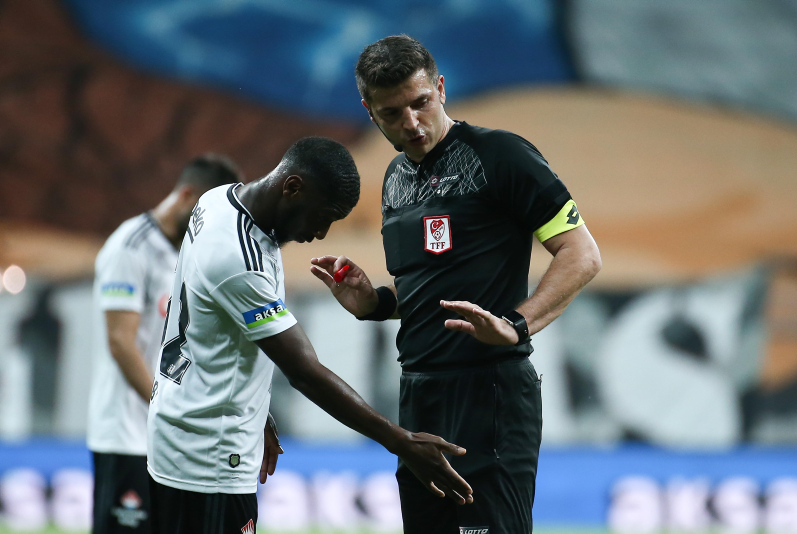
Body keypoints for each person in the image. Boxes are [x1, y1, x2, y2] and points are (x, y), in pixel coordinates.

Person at [310, 35, 602, 533]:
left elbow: (582, 254)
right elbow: (433, 289)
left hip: (489, 391)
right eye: (392, 113)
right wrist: (375, 302)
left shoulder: (500, 155)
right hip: (418, 397)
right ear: (369, 111)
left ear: (441, 88)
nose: (411, 123)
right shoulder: (396, 178)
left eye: (420, 102)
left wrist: (516, 325)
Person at [146, 137, 473, 534]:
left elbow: (213, 326)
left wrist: (253, 408)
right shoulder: (238, 258)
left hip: (187, 432)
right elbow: (304, 371)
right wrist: (402, 442)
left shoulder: (218, 201)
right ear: (293, 187)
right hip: (207, 457)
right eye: (322, 217)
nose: (320, 233)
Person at [88, 154, 244, 534]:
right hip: (127, 433)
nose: (210, 223)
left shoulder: (187, 253)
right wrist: (164, 408)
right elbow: (120, 341)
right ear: (187, 195)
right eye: (205, 211)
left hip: (170, 441)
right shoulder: (130, 246)